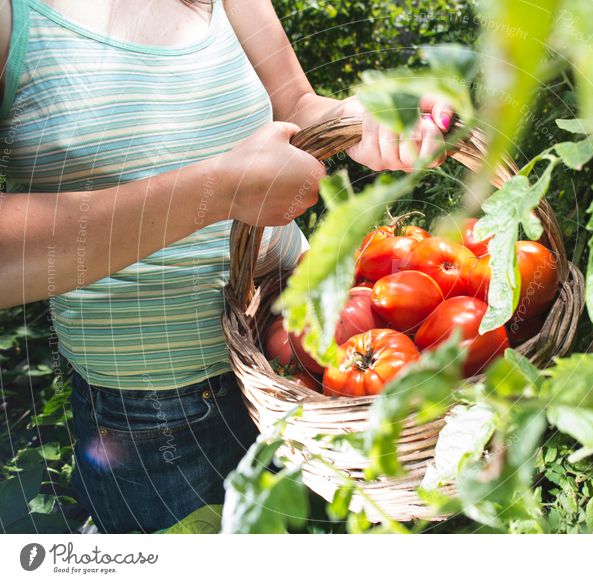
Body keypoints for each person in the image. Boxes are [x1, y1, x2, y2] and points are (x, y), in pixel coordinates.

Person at [0, 0, 453, 532]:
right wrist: (219, 191)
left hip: (308, 359)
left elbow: (299, 105)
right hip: (153, 420)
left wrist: (361, 118)